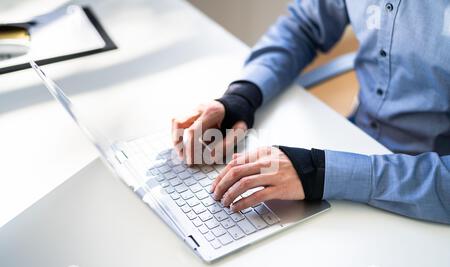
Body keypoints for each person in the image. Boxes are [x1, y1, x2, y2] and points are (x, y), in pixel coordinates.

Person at [171, 0, 450, 224]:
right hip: (354, 143)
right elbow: (302, 25)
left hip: (426, 198)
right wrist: (243, 96)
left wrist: (320, 172)